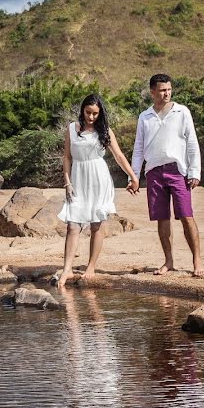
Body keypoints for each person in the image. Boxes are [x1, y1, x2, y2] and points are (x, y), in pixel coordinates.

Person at [56, 94, 138, 288]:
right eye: (88, 112)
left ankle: (91, 266)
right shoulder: (71, 129)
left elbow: (118, 155)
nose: (91, 117)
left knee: (96, 225)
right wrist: (67, 182)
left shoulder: (105, 131)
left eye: (95, 113)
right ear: (82, 110)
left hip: (99, 179)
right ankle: (67, 268)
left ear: (100, 114)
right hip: (78, 178)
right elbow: (67, 157)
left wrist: (133, 177)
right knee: (72, 225)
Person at [130, 74, 204, 277]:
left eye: (169, 89)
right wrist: (133, 176)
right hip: (153, 171)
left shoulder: (182, 112)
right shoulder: (144, 117)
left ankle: (197, 261)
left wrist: (194, 171)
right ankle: (168, 261)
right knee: (162, 218)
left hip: (178, 170)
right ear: (152, 92)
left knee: (186, 216)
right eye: (162, 90)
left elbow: (192, 143)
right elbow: (138, 149)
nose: (167, 93)